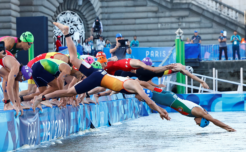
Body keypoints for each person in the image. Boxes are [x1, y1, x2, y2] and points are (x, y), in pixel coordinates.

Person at [33, 22, 170, 121]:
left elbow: (146, 85)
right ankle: (41, 98)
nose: (140, 99)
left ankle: (66, 32)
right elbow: (150, 102)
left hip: (99, 73)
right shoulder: (136, 87)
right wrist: (160, 110)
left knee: (73, 59)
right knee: (70, 91)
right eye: (141, 98)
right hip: (99, 78)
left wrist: (156, 87)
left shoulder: (134, 84)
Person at [135, 89, 235, 132]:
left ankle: (129, 84)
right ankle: (127, 83)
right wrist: (227, 127)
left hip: (170, 96)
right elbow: (214, 120)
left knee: (148, 90)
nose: (197, 124)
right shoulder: (199, 112)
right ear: (202, 119)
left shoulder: (197, 113)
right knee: (142, 95)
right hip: (169, 100)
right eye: (199, 124)